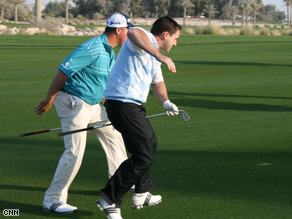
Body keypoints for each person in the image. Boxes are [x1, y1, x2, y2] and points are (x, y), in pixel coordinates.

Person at [33, 13, 135, 214]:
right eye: (128, 30)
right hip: (73, 103)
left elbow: (102, 85)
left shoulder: (110, 53)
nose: (131, 34)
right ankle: (52, 199)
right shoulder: (91, 48)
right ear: (118, 30)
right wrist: (48, 100)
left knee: (114, 135)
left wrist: (115, 110)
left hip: (94, 105)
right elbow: (63, 72)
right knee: (75, 152)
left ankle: (119, 182)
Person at [96, 16, 182, 219]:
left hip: (131, 106)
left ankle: (142, 192)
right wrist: (159, 56)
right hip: (121, 105)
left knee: (149, 144)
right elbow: (132, 33)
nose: (176, 43)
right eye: (176, 38)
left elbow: (157, 83)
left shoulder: (154, 54)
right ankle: (109, 198)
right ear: (165, 35)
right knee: (143, 156)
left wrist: (166, 102)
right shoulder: (143, 37)